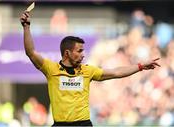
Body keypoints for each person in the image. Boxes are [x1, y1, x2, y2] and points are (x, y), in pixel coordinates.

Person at [20, 11, 160, 126]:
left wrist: (140, 66)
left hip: (83, 124)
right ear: (67, 53)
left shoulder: (87, 71)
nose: (83, 54)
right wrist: (26, 27)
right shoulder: (51, 69)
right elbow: (31, 52)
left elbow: (116, 72)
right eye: (79, 51)